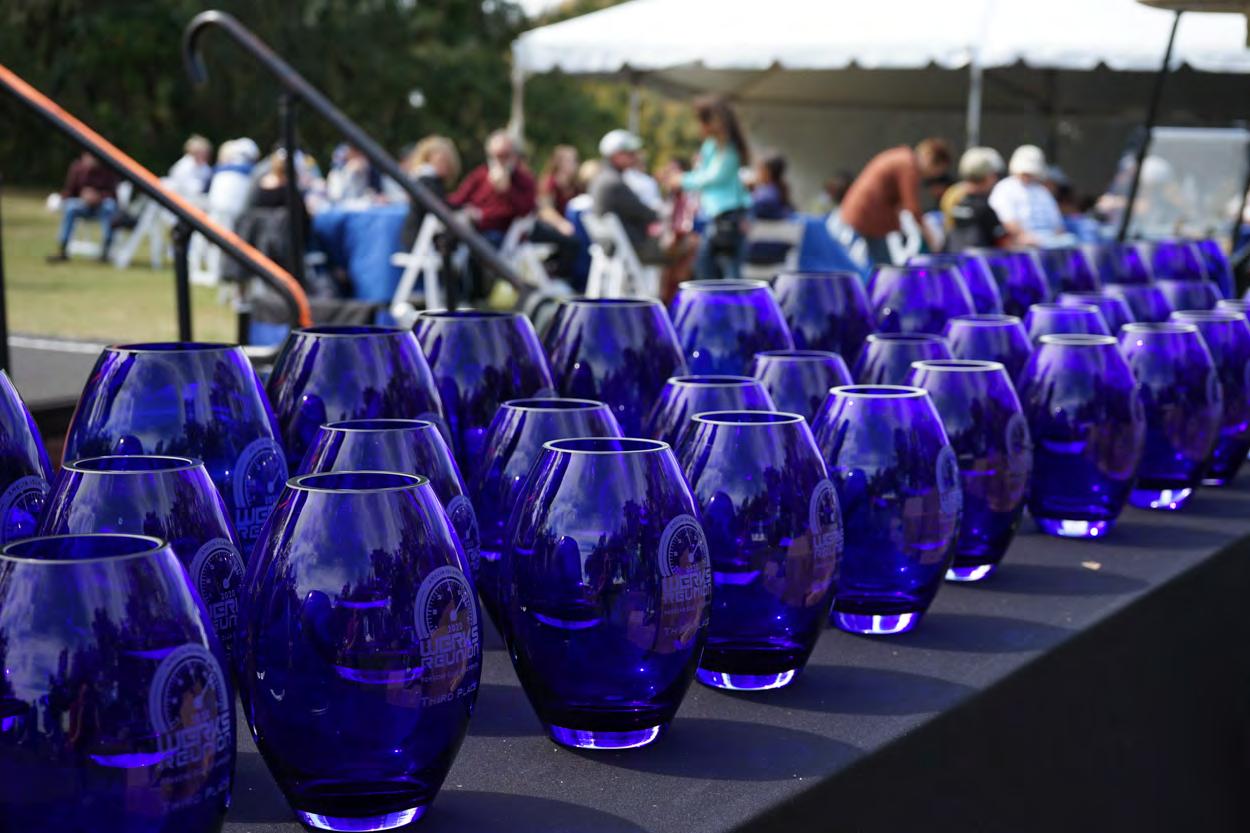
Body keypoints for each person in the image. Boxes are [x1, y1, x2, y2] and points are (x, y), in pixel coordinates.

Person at [666, 95, 752, 280]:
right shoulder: (711, 146)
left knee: (728, 272)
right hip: (716, 216)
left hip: (730, 216)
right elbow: (703, 174)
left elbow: (714, 177)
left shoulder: (729, 149)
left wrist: (682, 180)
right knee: (706, 267)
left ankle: (731, 299)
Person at [838, 138, 953, 265]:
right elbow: (912, 207)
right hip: (867, 217)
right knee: (881, 267)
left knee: (878, 263)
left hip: (863, 214)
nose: (932, 176)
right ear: (929, 158)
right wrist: (930, 237)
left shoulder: (902, 157)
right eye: (936, 171)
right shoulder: (908, 166)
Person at [447, 130, 536, 242]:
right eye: (495, 156)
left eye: (504, 155)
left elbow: (525, 211)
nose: (499, 160)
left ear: (513, 155)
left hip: (500, 234)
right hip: (470, 226)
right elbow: (458, 198)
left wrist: (507, 191)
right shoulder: (480, 174)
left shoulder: (525, 180)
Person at [589, 129, 663, 264]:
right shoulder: (614, 183)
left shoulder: (603, 178)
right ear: (616, 155)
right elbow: (644, 213)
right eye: (630, 153)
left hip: (615, 246)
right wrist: (662, 214)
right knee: (682, 247)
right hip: (628, 249)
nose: (635, 157)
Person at [47, 151, 121, 263]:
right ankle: (63, 250)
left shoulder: (108, 169)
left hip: (102, 207)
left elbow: (114, 195)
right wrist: (59, 200)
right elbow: (69, 191)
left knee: (110, 206)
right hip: (82, 206)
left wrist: (98, 197)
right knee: (70, 207)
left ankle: (106, 251)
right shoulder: (77, 168)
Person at [988, 145, 1064, 245]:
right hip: (1020, 244)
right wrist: (1024, 237)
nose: (1027, 175)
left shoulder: (1042, 191)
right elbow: (1007, 220)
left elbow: (1057, 225)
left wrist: (1057, 240)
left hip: (1048, 242)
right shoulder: (1004, 188)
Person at [399, 135, 461, 251]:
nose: (446, 165)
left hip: (419, 240)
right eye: (442, 161)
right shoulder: (427, 180)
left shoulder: (425, 179)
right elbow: (439, 206)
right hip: (420, 242)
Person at [946, 146, 1009, 252]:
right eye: (993, 175)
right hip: (980, 261)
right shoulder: (985, 210)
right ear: (988, 177)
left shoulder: (957, 204)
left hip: (958, 259)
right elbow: (1004, 243)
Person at [168, 135, 214, 199]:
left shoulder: (205, 168)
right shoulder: (183, 165)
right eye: (201, 152)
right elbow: (182, 185)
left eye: (206, 152)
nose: (204, 155)